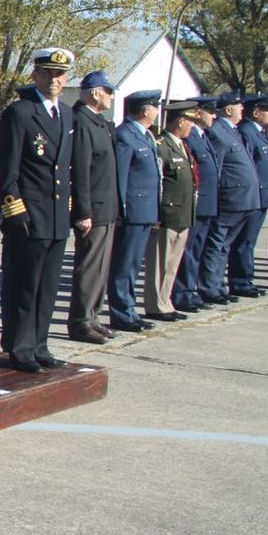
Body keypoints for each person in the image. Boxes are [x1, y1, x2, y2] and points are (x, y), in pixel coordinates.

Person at [0, 47, 76, 372]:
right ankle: (20, 346)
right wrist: (15, 212)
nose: (54, 79)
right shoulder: (21, 112)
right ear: (36, 75)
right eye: (47, 73)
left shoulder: (67, 114)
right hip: (30, 212)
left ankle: (40, 343)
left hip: (57, 215)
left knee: (48, 286)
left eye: (59, 75)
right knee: (24, 285)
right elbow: (9, 169)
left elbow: (66, 168)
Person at [66, 70, 119, 343]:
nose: (112, 97)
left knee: (100, 268)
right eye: (109, 91)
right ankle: (80, 322)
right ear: (95, 92)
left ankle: (92, 317)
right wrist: (83, 211)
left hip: (107, 206)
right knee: (89, 267)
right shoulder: (82, 121)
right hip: (93, 209)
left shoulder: (98, 122)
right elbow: (82, 172)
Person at [108, 90, 162, 332]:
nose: (157, 111)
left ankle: (130, 309)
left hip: (145, 210)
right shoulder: (126, 136)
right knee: (123, 264)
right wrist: (121, 211)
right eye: (155, 106)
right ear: (145, 110)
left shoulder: (146, 136)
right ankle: (121, 313)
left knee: (133, 265)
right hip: (131, 211)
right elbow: (120, 178)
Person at [203, 91, 258, 304]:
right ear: (228, 109)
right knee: (216, 243)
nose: (242, 109)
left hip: (243, 198)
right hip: (230, 197)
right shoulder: (217, 131)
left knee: (225, 244)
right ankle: (209, 286)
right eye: (238, 106)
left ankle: (218, 284)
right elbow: (216, 167)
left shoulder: (232, 131)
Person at [145, 101, 198, 321]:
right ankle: (156, 304)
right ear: (180, 121)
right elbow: (158, 181)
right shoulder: (162, 145)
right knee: (159, 263)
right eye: (190, 122)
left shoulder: (183, 145)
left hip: (183, 213)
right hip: (167, 214)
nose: (192, 127)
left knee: (172, 264)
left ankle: (166, 301)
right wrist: (156, 214)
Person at [174, 98, 220, 312]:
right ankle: (182, 292)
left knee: (198, 250)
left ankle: (190, 289)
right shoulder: (190, 137)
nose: (214, 116)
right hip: (196, 203)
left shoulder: (204, 136)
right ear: (198, 113)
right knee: (189, 251)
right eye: (210, 112)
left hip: (208, 203)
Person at [234, 95, 268, 297]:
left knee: (249, 241)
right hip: (253, 195)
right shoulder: (247, 132)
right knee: (245, 241)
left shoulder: (258, 133)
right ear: (255, 112)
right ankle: (241, 281)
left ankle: (246, 279)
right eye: (266, 109)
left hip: (262, 196)